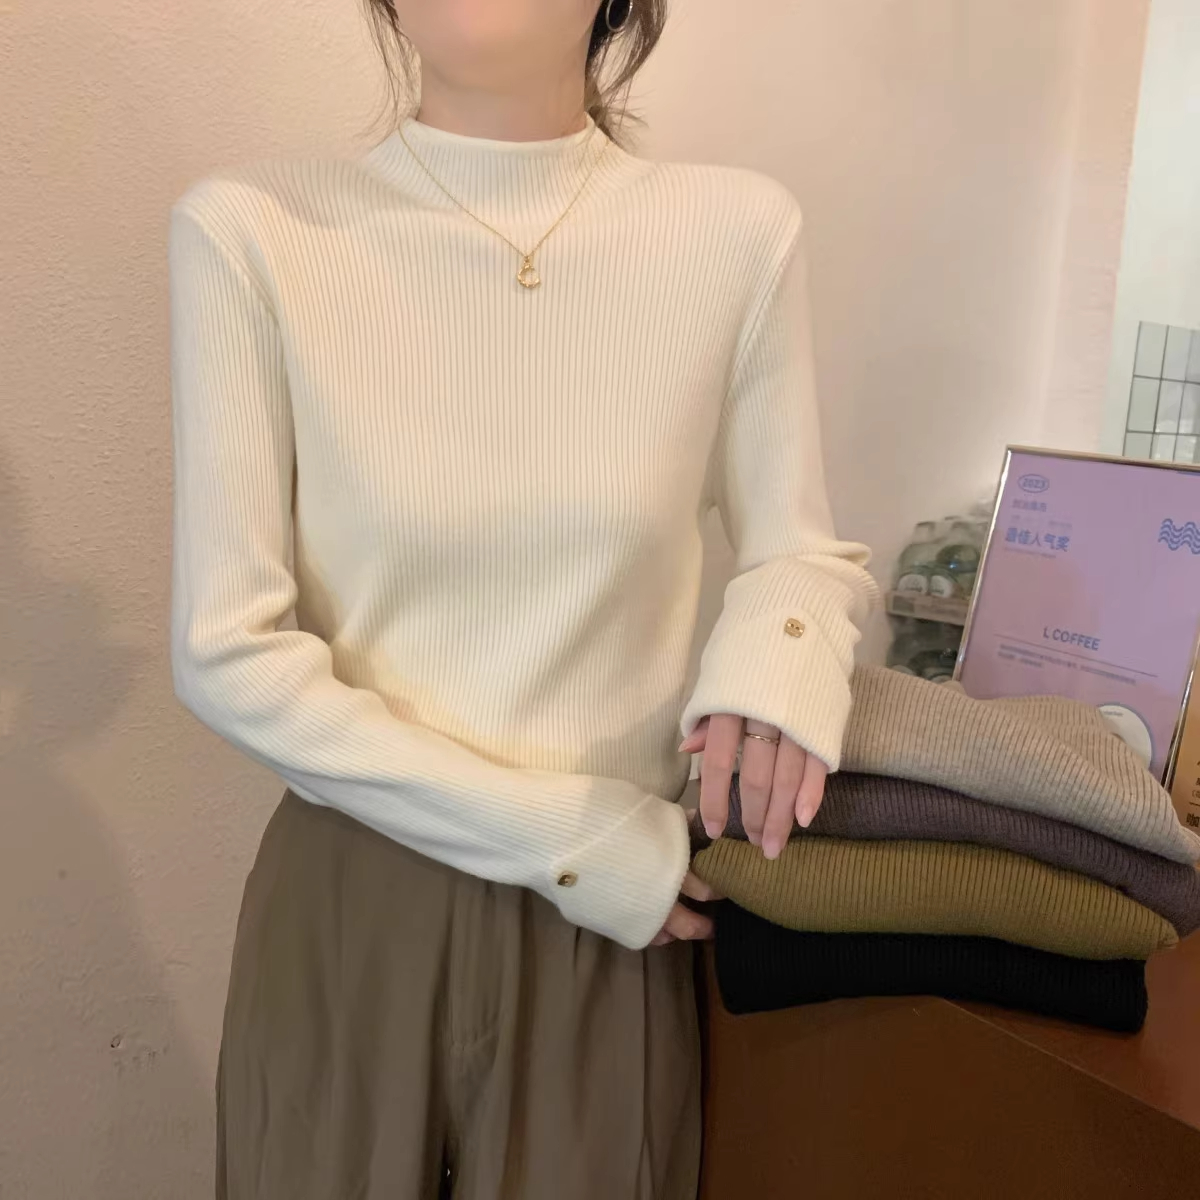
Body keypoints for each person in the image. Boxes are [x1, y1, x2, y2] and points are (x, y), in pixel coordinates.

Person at [167, 1, 877, 1196]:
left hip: (615, 927)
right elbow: (227, 650)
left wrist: (777, 665)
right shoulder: (251, 230)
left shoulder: (735, 233)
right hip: (362, 898)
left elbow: (797, 553)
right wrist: (572, 841)